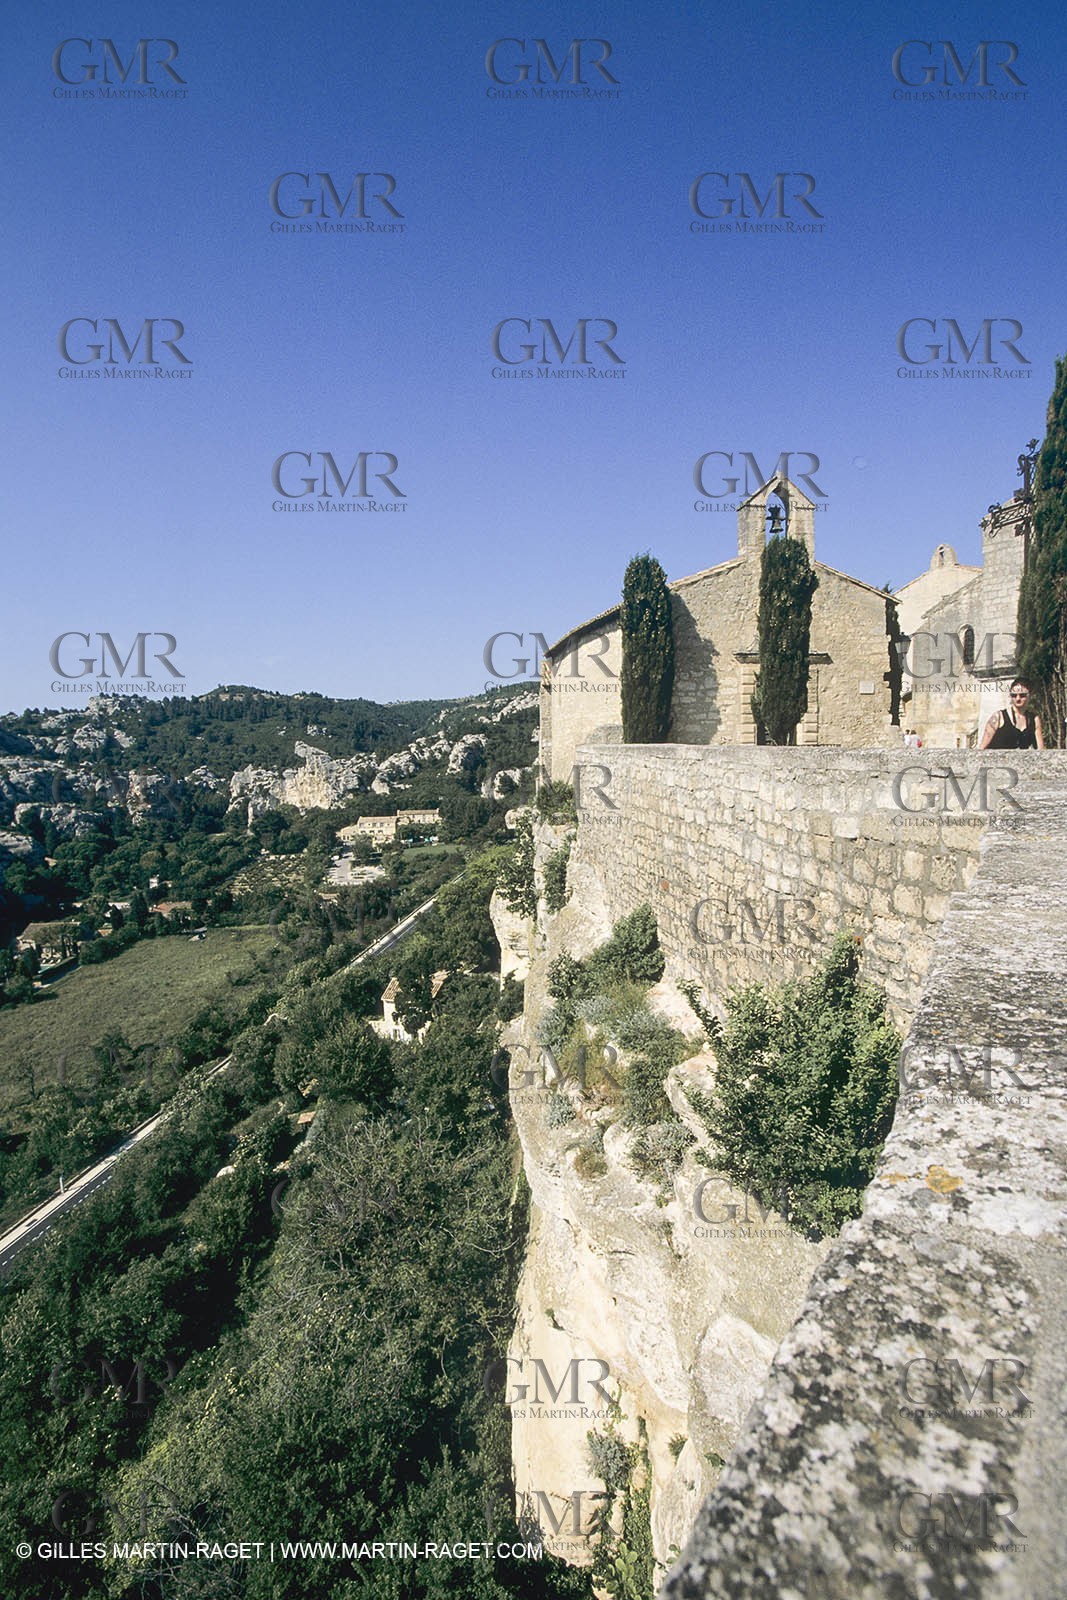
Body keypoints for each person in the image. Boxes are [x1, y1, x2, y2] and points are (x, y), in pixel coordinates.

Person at [980, 680, 1045, 750]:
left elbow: (1041, 750)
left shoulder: (1034, 719)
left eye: (1022, 695)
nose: (1018, 699)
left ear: (1030, 695)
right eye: (1014, 695)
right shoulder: (998, 717)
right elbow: (982, 748)